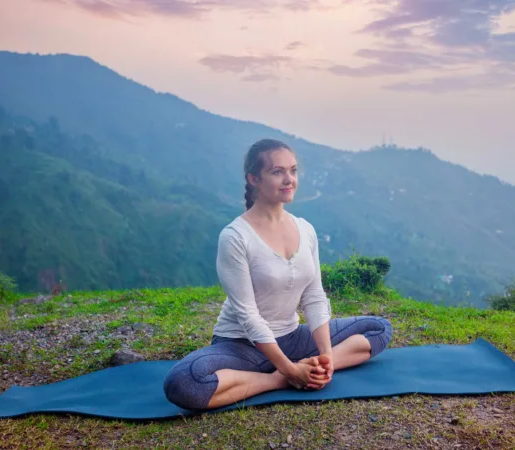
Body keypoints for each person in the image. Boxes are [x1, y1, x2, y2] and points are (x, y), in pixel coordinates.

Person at [163, 138, 393, 410]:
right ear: (254, 179)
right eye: (277, 172)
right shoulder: (235, 237)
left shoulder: (305, 229)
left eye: (293, 171)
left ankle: (310, 368)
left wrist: (326, 356)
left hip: (293, 337)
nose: (289, 179)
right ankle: (275, 380)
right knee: (183, 383)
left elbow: (314, 296)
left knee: (379, 328)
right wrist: (288, 373)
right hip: (242, 345)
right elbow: (248, 316)